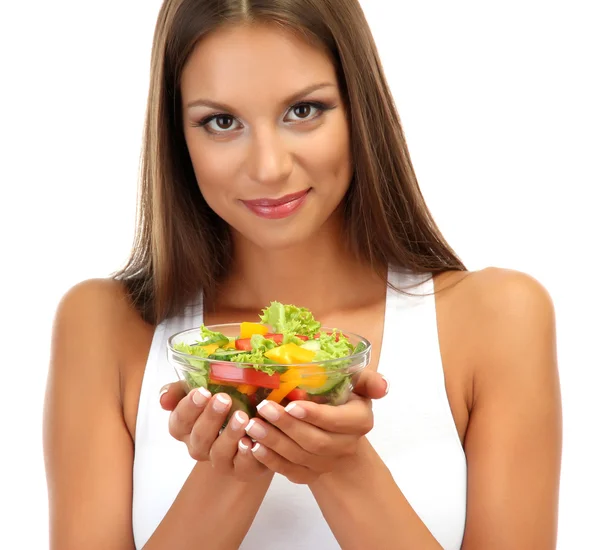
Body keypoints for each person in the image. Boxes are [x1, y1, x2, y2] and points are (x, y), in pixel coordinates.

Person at [43, 0, 562, 548]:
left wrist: (343, 466)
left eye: (303, 111)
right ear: (178, 136)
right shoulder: (104, 327)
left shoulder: (498, 318)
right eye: (221, 122)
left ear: (359, 107)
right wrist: (234, 464)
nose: (269, 167)